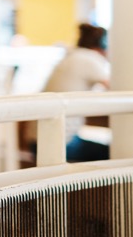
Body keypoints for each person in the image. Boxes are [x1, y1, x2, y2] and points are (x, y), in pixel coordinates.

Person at [43, 22, 111, 161]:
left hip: (41, 141)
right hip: (61, 144)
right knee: (114, 152)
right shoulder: (89, 59)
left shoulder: (72, 57)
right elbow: (118, 89)